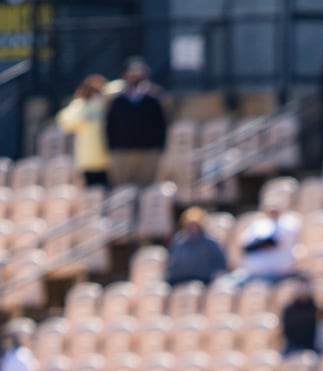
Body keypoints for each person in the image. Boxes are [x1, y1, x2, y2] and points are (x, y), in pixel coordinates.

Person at [105, 57, 169, 188]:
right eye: (132, 74)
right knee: (122, 189)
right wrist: (112, 147)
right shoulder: (118, 100)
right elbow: (110, 126)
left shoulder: (153, 99)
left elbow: (161, 125)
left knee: (146, 187)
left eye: (139, 73)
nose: (135, 77)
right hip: (122, 151)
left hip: (148, 151)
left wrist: (159, 146)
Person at [56, 74, 111, 188]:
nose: (95, 92)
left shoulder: (107, 103)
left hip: (108, 158)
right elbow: (64, 121)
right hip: (88, 158)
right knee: (90, 191)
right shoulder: (80, 105)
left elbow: (119, 86)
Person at [233, 206, 300, 285]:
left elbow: (272, 243)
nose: (273, 211)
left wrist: (259, 244)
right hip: (251, 273)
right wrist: (260, 244)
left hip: (276, 275)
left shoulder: (288, 226)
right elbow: (245, 247)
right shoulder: (257, 225)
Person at [165, 207, 229, 287]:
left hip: (205, 282)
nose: (193, 228)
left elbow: (221, 265)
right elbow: (173, 267)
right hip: (180, 282)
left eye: (196, 225)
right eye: (190, 225)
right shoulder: (179, 242)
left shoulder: (211, 243)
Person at [279, 277, 320, 354]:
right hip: (293, 347)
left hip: (312, 346)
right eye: (301, 288)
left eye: (306, 288)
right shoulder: (288, 310)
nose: (303, 291)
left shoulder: (317, 310)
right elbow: (287, 333)